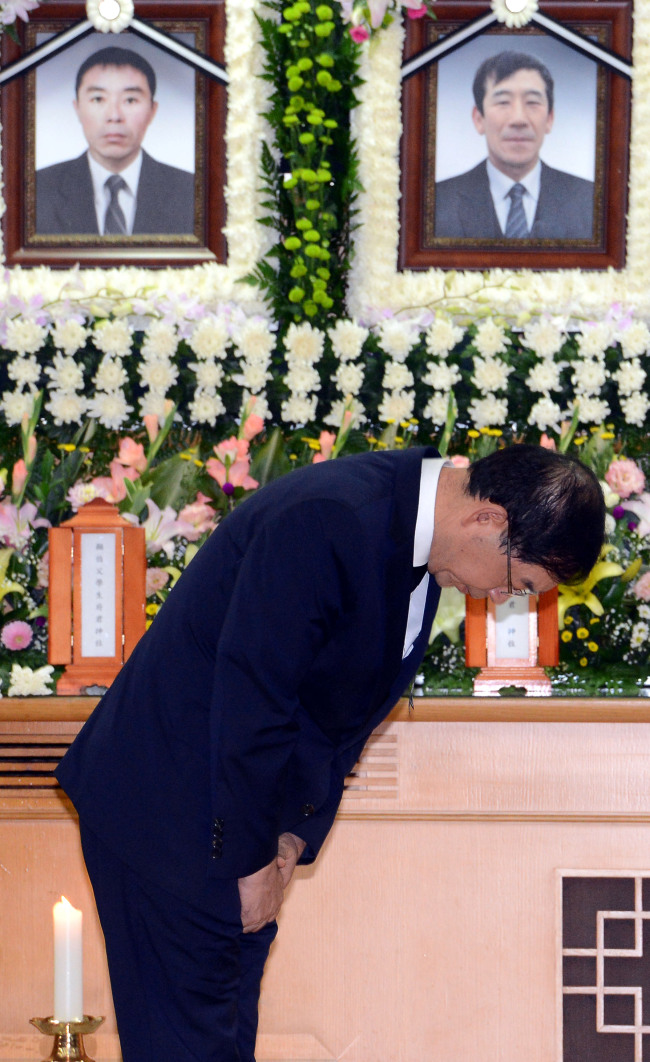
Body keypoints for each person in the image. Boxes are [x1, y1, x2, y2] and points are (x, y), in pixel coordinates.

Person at [55, 443, 605, 1061]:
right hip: (169, 812)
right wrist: (250, 860)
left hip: (233, 821)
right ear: (488, 521)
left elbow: (331, 718)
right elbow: (254, 696)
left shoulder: (407, 537)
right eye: (518, 584)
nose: (501, 599)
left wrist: (287, 839)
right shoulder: (332, 516)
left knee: (220, 1045)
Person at [434, 51, 594, 240]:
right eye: (503, 102)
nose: (519, 119)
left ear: (550, 119)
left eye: (532, 102)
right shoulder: (437, 202)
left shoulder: (591, 201)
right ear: (479, 119)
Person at [35, 47, 195, 236]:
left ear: (153, 110)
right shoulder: (35, 190)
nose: (114, 115)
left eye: (130, 100)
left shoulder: (193, 193)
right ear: (77, 108)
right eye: (98, 99)